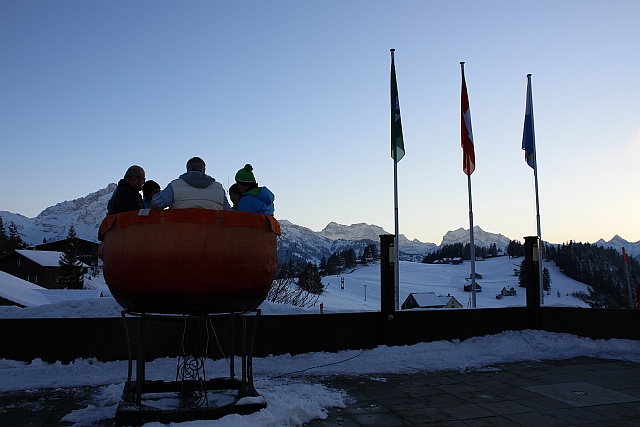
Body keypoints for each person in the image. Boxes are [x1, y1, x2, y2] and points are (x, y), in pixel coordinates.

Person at [152, 157, 230, 210]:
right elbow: (228, 212)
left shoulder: (175, 185)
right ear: (204, 169)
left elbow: (155, 204)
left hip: (180, 232)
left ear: (187, 169)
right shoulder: (218, 188)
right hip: (212, 232)